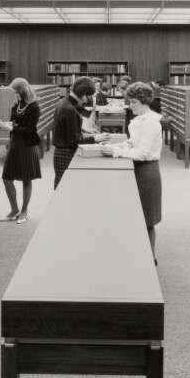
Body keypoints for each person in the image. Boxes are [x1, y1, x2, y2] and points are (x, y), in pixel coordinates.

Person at [103, 82, 163, 264]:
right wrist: (115, 146)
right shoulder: (138, 120)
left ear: (144, 102)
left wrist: (116, 152)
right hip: (135, 169)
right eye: (130, 102)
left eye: (134, 102)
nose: (130, 106)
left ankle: (150, 258)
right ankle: (136, 257)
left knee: (147, 219)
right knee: (133, 217)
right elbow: (132, 143)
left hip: (147, 172)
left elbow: (143, 153)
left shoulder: (152, 122)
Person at [0, 78, 42, 224]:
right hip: (15, 143)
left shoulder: (34, 106)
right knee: (6, 178)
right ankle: (14, 209)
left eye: (16, 92)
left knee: (26, 178)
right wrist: (2, 124)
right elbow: (13, 123)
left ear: (23, 90)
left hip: (27, 145)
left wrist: (11, 128)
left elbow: (30, 129)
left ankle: (24, 211)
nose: (14, 95)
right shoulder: (16, 104)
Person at [52, 76, 108, 189]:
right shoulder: (69, 109)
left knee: (62, 185)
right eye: (89, 96)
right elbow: (74, 140)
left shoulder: (64, 102)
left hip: (60, 152)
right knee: (64, 188)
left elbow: (65, 127)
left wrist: (84, 130)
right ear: (82, 94)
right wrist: (95, 138)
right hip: (65, 153)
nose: (88, 100)